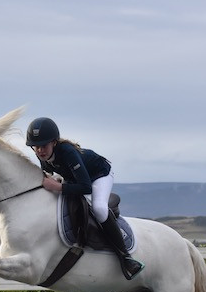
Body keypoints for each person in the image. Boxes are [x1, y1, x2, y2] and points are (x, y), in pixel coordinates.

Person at [26, 117, 144, 280]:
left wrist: (59, 187)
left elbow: (86, 187)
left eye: (43, 146)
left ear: (54, 142)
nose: (40, 151)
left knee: (99, 209)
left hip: (99, 175)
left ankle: (126, 258)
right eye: (36, 147)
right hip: (77, 178)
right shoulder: (43, 156)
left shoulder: (68, 152)